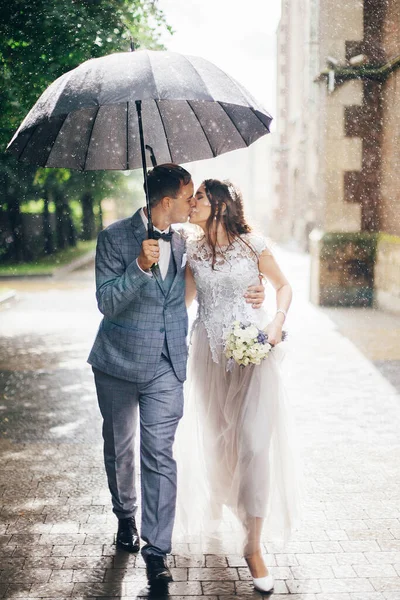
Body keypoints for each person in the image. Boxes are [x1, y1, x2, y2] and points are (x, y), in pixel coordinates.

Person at [87, 164, 266, 585]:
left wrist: (255, 293)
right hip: (116, 361)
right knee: (121, 449)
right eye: (189, 196)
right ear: (167, 201)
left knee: (159, 454)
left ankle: (157, 549)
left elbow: (220, 273)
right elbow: (107, 303)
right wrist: (138, 266)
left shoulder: (188, 242)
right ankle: (125, 515)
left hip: (168, 365)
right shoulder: (112, 238)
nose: (193, 203)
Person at [176, 179, 301, 594]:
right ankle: (229, 502)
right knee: (220, 445)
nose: (191, 203)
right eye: (190, 197)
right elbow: (183, 303)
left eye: (198, 198)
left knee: (252, 444)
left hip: (252, 357)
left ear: (220, 205)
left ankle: (253, 544)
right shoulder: (191, 251)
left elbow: (283, 286)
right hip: (210, 359)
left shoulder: (253, 245)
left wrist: (276, 321)